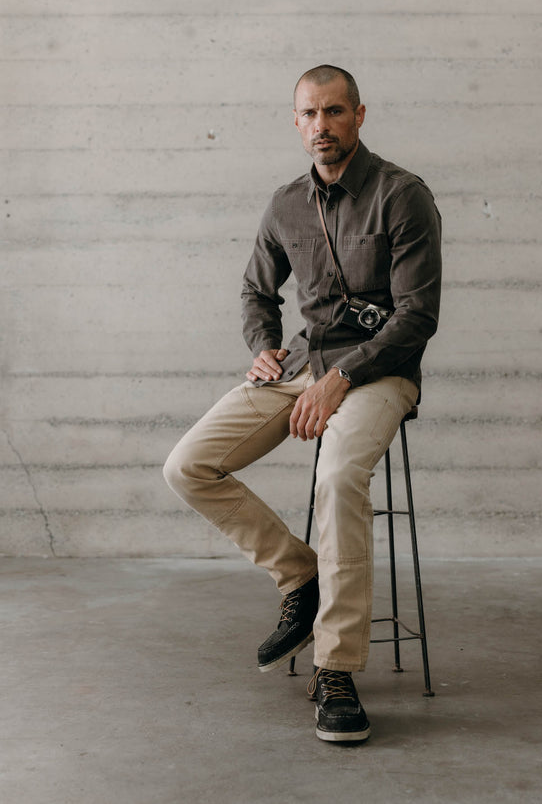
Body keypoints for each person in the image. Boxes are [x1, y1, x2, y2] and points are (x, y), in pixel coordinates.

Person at [163, 65, 442, 743]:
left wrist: (339, 378)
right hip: (300, 363)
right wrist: (263, 345)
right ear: (297, 122)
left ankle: (336, 669)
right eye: (310, 114)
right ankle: (300, 574)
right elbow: (256, 291)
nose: (323, 126)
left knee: (339, 475)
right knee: (187, 465)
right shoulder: (286, 203)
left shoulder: (402, 195)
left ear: (359, 115)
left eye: (335, 112)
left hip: (380, 374)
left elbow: (417, 316)